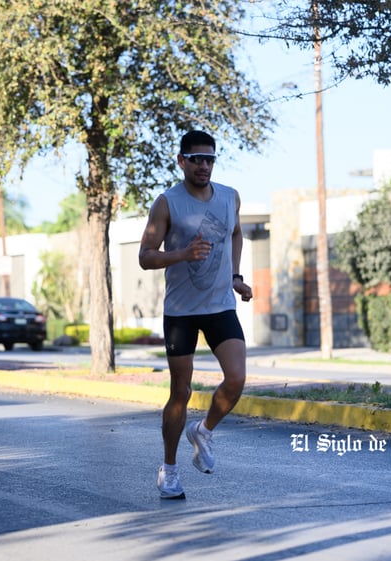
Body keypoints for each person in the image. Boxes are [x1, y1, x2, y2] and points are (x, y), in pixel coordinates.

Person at [138, 130, 253, 500]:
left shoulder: (229, 197)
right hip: (182, 312)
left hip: (220, 304)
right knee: (181, 391)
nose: (204, 165)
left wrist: (236, 277)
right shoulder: (167, 203)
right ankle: (169, 470)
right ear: (181, 161)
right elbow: (145, 256)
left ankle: (203, 431)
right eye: (196, 159)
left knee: (235, 379)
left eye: (210, 159)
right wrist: (182, 254)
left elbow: (236, 234)